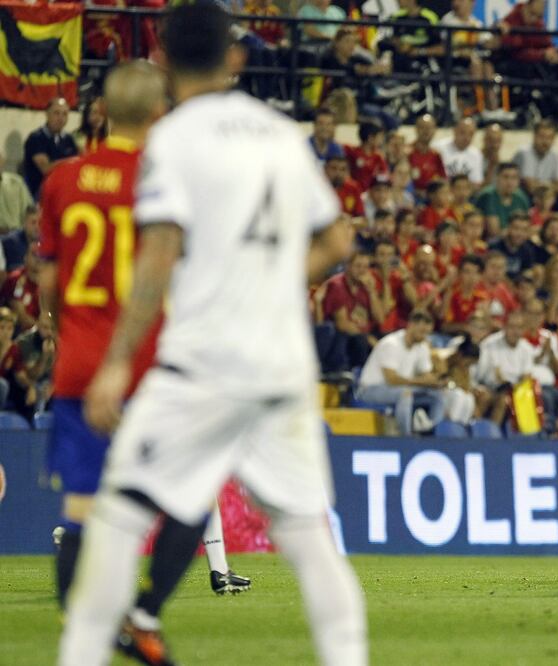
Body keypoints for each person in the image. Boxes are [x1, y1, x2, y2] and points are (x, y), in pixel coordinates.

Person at [59, 7, 365, 666]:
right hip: (283, 366)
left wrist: (115, 362)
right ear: (236, 58)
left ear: (163, 63)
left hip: (202, 364)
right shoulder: (282, 134)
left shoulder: (174, 140)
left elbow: (159, 252)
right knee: (311, 540)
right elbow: (338, 239)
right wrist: (274, 281)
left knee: (116, 518)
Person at [38, 65, 254, 645]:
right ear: (159, 113)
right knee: (193, 488)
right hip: (147, 364)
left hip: (79, 366)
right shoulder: (164, 180)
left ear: (100, 112)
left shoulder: (61, 179)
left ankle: (79, 630)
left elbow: (49, 283)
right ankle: (145, 613)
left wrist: (58, 329)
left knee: (81, 504)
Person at [356, 310, 447, 434]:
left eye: (427, 333)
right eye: (421, 332)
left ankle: (430, 431)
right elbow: (392, 380)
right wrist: (421, 382)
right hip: (371, 390)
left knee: (437, 395)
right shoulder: (391, 344)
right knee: (405, 394)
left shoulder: (421, 346)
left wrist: (435, 382)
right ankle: (405, 438)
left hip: (400, 388)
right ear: (411, 325)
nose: (424, 336)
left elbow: (426, 375)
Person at [22, 97, 80, 199]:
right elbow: (46, 169)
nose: (61, 118)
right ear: (47, 114)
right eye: (56, 113)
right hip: (39, 192)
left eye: (65, 114)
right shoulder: (36, 138)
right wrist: (72, 162)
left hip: (62, 190)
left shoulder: (68, 139)